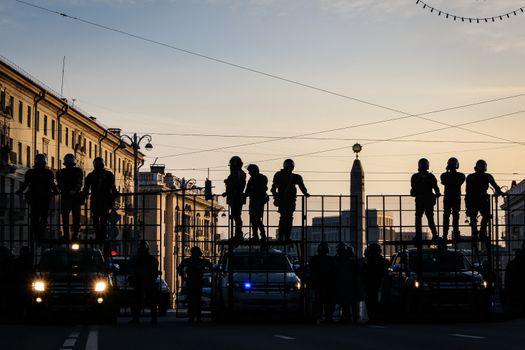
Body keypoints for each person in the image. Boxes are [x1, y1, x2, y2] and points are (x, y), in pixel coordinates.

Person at [16, 154, 58, 244]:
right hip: (43, 199)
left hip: (36, 198)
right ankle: (39, 236)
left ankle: (36, 235)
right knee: (42, 218)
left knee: (36, 218)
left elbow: (25, 184)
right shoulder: (48, 173)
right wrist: (56, 191)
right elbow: (52, 185)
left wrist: (20, 190)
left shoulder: (31, 172)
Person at [465, 159, 504, 244]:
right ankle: (481, 233)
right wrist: (501, 193)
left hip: (472, 199)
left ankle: (475, 233)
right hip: (482, 199)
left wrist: (467, 203)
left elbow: (467, 191)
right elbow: (495, 186)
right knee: (486, 216)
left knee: (473, 217)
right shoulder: (487, 176)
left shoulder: (470, 177)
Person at [271, 159, 310, 242]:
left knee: (283, 219)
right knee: (288, 219)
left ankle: (282, 237)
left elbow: (273, 188)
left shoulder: (279, 175)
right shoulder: (296, 177)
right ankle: (286, 237)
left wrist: (276, 196)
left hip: (284, 201)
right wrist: (306, 193)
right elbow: (302, 187)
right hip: (290, 201)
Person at [82, 157, 118, 243]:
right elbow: (113, 188)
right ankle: (101, 235)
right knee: (102, 219)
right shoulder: (107, 174)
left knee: (99, 219)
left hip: (98, 200)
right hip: (102, 200)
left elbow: (86, 188)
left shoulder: (92, 175)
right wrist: (113, 197)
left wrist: (84, 194)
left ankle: (100, 235)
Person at [177, 246, 212, 322]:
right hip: (195, 282)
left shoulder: (189, 261)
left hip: (193, 282)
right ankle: (196, 315)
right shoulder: (201, 261)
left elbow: (179, 269)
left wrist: (184, 277)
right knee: (196, 299)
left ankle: (193, 315)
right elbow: (211, 267)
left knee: (193, 299)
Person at [410, 158, 441, 241]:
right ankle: (434, 235)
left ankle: (418, 236)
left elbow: (413, 191)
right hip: (429, 200)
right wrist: (436, 195)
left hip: (420, 200)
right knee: (430, 218)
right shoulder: (431, 176)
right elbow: (437, 190)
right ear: (428, 165)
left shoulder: (415, 177)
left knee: (418, 218)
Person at [129, 241, 159, 324]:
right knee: (142, 301)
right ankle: (151, 318)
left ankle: (138, 318)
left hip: (145, 282)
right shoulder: (151, 260)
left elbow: (155, 272)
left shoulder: (137, 259)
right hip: (143, 282)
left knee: (142, 301)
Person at [56, 153, 84, 241]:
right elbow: (79, 183)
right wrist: (74, 190)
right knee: (74, 217)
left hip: (68, 196)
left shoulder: (61, 172)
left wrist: (67, 190)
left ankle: (69, 235)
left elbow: (60, 184)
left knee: (68, 217)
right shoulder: (77, 171)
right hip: (73, 196)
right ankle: (72, 235)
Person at [309, 242, 336, 324]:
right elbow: (334, 272)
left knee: (318, 301)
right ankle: (328, 317)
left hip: (319, 284)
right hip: (328, 284)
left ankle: (317, 316)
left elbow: (311, 271)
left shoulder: (314, 259)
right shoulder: (330, 260)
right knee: (328, 302)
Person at [335, 243, 362, 323]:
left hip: (345, 284)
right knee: (352, 302)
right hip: (352, 284)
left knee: (345, 302)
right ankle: (354, 318)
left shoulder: (340, 262)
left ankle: (347, 317)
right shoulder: (354, 262)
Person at [440, 157, 465, 242]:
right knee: (455, 216)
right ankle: (456, 234)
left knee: (446, 216)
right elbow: (460, 182)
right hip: (456, 197)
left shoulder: (444, 175)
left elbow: (443, 181)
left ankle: (444, 235)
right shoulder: (461, 176)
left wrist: (447, 171)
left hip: (447, 197)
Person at [361, 243, 388, 322]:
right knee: (375, 300)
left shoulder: (368, 262)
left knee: (370, 300)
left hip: (371, 284)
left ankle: (372, 317)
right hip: (377, 284)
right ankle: (375, 317)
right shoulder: (382, 261)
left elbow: (364, 272)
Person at [223, 156, 246, 242]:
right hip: (236, 197)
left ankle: (238, 234)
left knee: (236, 216)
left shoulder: (236, 173)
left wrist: (228, 183)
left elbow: (235, 186)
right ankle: (238, 234)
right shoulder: (240, 173)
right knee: (236, 216)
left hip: (235, 198)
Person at [244, 164, 268, 242]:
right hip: (255, 201)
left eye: (250, 171)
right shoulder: (254, 179)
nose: (249, 173)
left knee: (256, 219)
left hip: (258, 202)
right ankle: (257, 235)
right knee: (254, 219)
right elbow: (247, 192)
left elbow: (259, 190)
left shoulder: (261, 178)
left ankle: (261, 235)